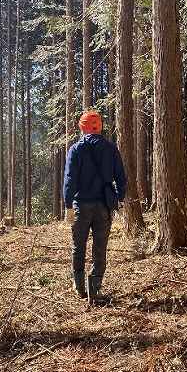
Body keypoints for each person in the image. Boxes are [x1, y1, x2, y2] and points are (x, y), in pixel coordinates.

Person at [63, 109, 127, 302]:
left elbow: (69, 180)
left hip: (81, 205)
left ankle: (79, 286)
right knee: (100, 248)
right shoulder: (111, 149)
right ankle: (94, 288)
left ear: (82, 127)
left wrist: (68, 205)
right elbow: (121, 177)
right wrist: (119, 198)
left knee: (78, 246)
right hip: (103, 206)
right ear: (99, 127)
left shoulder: (76, 149)